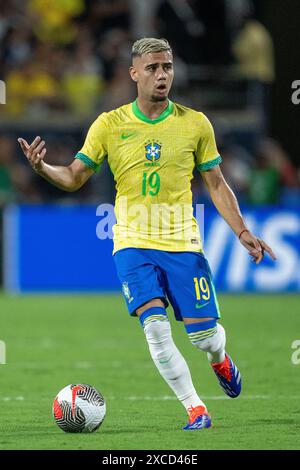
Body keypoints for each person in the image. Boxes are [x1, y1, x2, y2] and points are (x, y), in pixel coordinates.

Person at [18, 38, 276, 430]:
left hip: (181, 242)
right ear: (134, 73)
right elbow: (73, 176)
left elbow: (217, 184)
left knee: (204, 338)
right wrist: (43, 169)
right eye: (153, 67)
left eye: (167, 67)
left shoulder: (195, 123)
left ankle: (219, 358)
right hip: (131, 242)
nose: (162, 74)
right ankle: (196, 409)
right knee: (154, 327)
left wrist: (241, 230)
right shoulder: (109, 124)